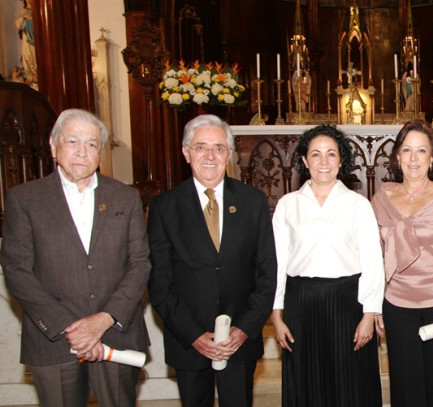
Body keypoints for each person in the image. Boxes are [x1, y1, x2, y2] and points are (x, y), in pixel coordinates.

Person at [1, 109, 150, 406]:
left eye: (92, 144)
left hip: (115, 334)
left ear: (101, 152)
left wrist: (102, 322)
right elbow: (17, 270)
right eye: (72, 141)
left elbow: (140, 263)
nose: (82, 151)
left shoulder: (126, 197)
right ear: (54, 145)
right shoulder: (24, 199)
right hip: (54, 340)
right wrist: (74, 330)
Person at [148, 114, 277, 407]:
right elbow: (159, 283)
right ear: (185, 151)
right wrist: (194, 335)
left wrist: (244, 329)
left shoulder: (253, 201)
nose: (210, 156)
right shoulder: (164, 207)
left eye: (218, 148)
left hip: (238, 341)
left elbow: (267, 272)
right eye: (201, 147)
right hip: (189, 340)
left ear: (229, 155)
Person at [270, 125, 384, 406]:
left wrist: (369, 313)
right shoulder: (288, 204)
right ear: (305, 161)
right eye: (316, 154)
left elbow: (372, 260)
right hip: (301, 303)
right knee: (306, 382)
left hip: (347, 303)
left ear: (341, 160)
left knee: (351, 383)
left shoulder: (358, 205)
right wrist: (276, 312)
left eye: (331, 154)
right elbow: (277, 261)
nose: (324, 162)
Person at [371, 119, 433, 407]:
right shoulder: (381, 199)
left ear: (432, 159)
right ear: (397, 157)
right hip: (397, 306)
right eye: (407, 150)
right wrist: (375, 304)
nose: (413, 158)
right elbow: (375, 257)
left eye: (421, 151)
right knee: (405, 390)